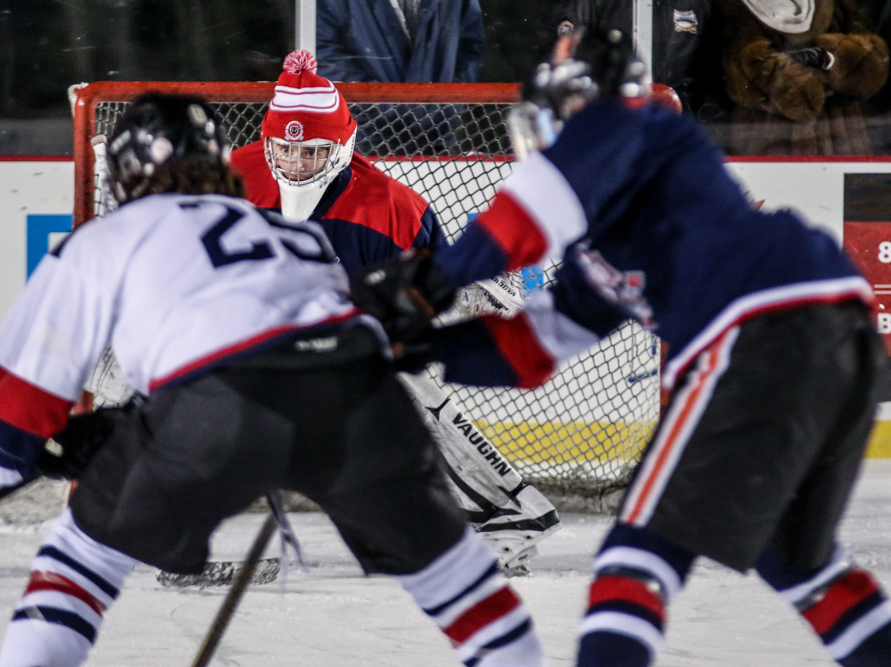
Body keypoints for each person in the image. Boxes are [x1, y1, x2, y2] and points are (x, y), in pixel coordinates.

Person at [0, 93, 545, 667]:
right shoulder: (289, 235)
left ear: (124, 176)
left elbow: (15, 398)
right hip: (363, 404)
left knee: (80, 558)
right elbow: (311, 341)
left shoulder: (106, 240)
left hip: (219, 412)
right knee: (461, 586)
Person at [352, 29, 891, 667]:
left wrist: (431, 283)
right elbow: (534, 347)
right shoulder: (605, 241)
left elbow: (535, 205)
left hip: (760, 328)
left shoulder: (640, 130)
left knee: (634, 558)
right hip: (835, 340)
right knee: (796, 557)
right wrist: (423, 349)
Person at [230, 49, 560, 572]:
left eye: (312, 153)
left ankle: (507, 516)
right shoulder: (230, 181)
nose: (294, 166)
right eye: (284, 152)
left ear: (342, 148)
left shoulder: (393, 211)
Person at [316, 0, 486, 84]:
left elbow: (471, 47)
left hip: (439, 131)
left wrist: (447, 98)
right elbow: (322, 53)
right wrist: (375, 100)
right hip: (362, 134)